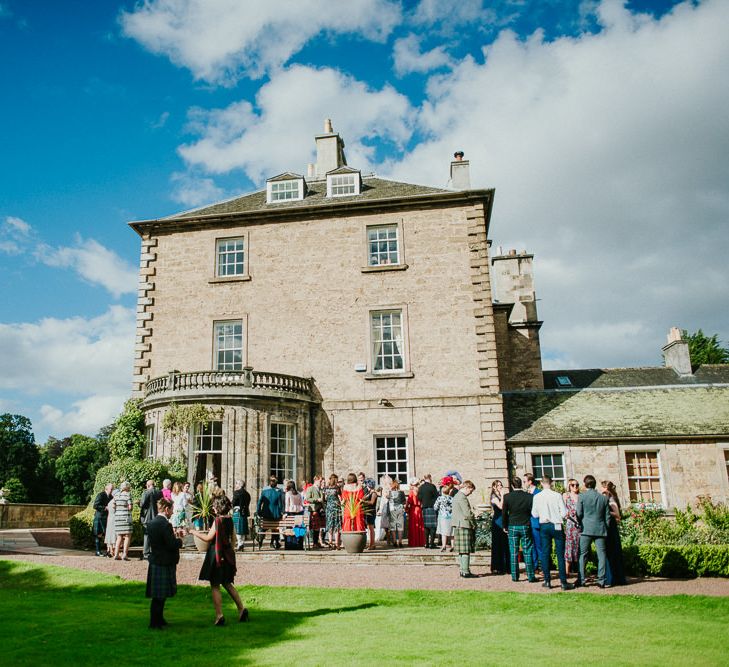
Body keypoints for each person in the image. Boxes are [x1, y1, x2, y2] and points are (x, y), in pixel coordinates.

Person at [192, 495, 249, 625]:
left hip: (217, 555)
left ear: (218, 507)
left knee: (215, 585)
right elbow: (233, 539)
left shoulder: (217, 521)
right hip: (228, 555)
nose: (212, 507)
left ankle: (219, 615)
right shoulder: (230, 520)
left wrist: (193, 532)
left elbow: (208, 538)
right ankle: (241, 609)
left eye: (214, 505)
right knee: (228, 583)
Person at [531, 475, 573, 590]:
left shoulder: (537, 497)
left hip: (544, 525)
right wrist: (557, 515)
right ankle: (563, 582)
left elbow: (534, 514)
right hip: (557, 525)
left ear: (542, 484)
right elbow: (564, 513)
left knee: (545, 553)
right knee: (560, 554)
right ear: (551, 483)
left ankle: (547, 581)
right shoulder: (557, 495)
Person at [146, 497, 182, 629]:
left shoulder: (151, 523)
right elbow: (171, 544)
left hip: (155, 559)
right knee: (160, 596)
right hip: (165, 561)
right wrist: (180, 540)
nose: (172, 512)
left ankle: (158, 619)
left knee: (158, 595)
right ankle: (155, 622)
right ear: (166, 509)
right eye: (171, 509)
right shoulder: (165, 524)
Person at [576, 475, 611, 588]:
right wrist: (605, 527)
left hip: (586, 528)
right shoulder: (603, 498)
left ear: (585, 484)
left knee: (583, 555)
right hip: (600, 529)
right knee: (601, 555)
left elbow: (579, 513)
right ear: (595, 484)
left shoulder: (582, 497)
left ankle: (581, 579)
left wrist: (581, 523)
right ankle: (601, 580)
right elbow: (607, 517)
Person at [502, 477, 536, 583]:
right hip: (525, 525)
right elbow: (532, 512)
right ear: (521, 484)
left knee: (513, 552)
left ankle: (515, 577)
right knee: (527, 551)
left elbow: (504, 513)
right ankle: (530, 576)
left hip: (512, 526)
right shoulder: (529, 497)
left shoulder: (507, 497)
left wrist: (504, 526)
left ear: (512, 485)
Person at [601, 480, 627, 586]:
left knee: (611, 552)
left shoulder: (611, 499)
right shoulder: (610, 497)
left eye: (602, 488)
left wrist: (606, 511)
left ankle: (613, 578)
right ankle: (613, 577)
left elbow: (618, 515)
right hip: (609, 527)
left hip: (611, 528)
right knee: (611, 552)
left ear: (606, 489)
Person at [451, 480, 477, 578]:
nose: (471, 493)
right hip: (464, 525)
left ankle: (463, 570)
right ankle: (465, 571)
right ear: (467, 487)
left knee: (462, 551)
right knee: (466, 550)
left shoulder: (457, 496)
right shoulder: (462, 497)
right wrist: (474, 523)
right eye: (471, 491)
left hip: (458, 525)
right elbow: (467, 513)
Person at [257, 475, 284, 549]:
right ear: (276, 484)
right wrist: (282, 513)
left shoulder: (264, 492)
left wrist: (258, 512)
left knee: (263, 528)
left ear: (270, 483)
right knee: (275, 528)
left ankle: (260, 541)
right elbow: (280, 505)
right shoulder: (278, 493)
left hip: (265, 514)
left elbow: (259, 503)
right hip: (275, 515)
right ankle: (273, 543)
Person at [523, 472, 542, 573]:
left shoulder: (538, 493)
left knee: (539, 546)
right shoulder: (526, 493)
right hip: (528, 523)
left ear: (530, 482)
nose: (524, 483)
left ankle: (543, 567)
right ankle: (534, 568)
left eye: (525, 481)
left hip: (537, 523)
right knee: (532, 546)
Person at [489, 480, 510, 574]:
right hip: (497, 522)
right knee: (498, 544)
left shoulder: (502, 496)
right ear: (494, 487)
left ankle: (506, 566)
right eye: (498, 485)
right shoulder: (494, 497)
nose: (501, 486)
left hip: (504, 520)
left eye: (501, 485)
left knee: (505, 543)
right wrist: (502, 495)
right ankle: (498, 567)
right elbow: (501, 506)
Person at [563, 479, 581, 576]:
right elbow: (562, 508)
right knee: (569, 546)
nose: (575, 487)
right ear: (569, 486)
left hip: (580, 524)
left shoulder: (581, 497)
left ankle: (580, 570)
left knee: (579, 546)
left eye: (577, 485)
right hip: (570, 524)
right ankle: (567, 571)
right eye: (573, 485)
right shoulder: (566, 496)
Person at [140, 480, 162, 561]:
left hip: (147, 516)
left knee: (147, 535)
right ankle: (154, 552)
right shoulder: (159, 492)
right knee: (155, 535)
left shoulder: (146, 493)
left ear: (148, 485)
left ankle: (146, 553)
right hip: (156, 516)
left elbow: (142, 504)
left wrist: (139, 503)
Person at [417, 473, 439, 549]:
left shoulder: (421, 487)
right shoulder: (432, 486)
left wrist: (423, 501)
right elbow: (437, 497)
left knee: (426, 527)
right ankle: (432, 544)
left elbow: (418, 497)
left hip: (424, 508)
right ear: (430, 478)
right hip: (432, 508)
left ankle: (426, 543)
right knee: (433, 527)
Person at [113, 481, 133, 561]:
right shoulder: (128, 495)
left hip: (117, 517)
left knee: (119, 536)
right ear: (128, 487)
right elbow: (130, 507)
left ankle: (116, 554)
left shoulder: (116, 495)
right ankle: (125, 554)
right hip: (126, 517)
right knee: (127, 536)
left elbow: (114, 506)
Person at [92, 483, 113, 557]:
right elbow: (95, 505)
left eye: (112, 489)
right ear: (106, 489)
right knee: (99, 534)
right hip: (100, 517)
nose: (112, 490)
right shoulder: (100, 495)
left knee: (107, 535)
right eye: (111, 489)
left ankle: (108, 551)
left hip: (107, 517)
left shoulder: (111, 497)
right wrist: (105, 508)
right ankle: (98, 551)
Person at [405, 477, 425, 547]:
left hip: (413, 510)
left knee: (414, 526)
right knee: (420, 525)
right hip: (419, 509)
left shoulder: (411, 491)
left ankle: (414, 542)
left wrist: (406, 508)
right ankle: (420, 542)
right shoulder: (420, 490)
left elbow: (409, 502)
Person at [359, 474, 378, 549]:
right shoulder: (369, 493)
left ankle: (372, 544)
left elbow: (372, 502)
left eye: (367, 485)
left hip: (372, 512)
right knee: (369, 528)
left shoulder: (374, 493)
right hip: (367, 512)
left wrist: (363, 501)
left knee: (371, 528)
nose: (366, 486)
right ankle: (370, 544)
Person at [434, 483, 454, 552]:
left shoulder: (440, 498)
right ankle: (453, 546)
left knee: (443, 532)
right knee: (452, 532)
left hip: (443, 516)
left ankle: (444, 546)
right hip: (451, 516)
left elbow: (435, 507)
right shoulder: (452, 498)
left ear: (442, 491)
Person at [304, 476, 324, 547]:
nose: (321, 482)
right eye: (320, 481)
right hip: (313, 510)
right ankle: (314, 542)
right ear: (316, 480)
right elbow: (308, 498)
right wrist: (317, 499)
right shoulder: (310, 488)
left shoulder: (320, 489)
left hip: (320, 510)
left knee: (318, 527)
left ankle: (316, 542)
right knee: (315, 527)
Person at [232, 480, 251, 551]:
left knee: (238, 529)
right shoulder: (247, 494)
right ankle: (241, 543)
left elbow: (233, 503)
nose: (235, 485)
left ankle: (240, 544)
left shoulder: (236, 492)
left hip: (237, 512)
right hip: (245, 513)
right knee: (242, 529)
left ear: (240, 485)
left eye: (236, 483)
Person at [324, 474, 342, 549]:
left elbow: (325, 498)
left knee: (330, 525)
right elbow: (340, 498)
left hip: (329, 509)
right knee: (337, 526)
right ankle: (337, 544)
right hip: (336, 509)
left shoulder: (326, 488)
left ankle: (330, 543)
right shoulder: (337, 488)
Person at [388, 479, 406, 547]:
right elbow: (404, 502)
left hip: (392, 510)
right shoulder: (401, 492)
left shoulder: (390, 492)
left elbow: (388, 499)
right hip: (400, 509)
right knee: (400, 525)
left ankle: (395, 541)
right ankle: (400, 542)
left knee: (393, 526)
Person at [104, 488, 118, 558]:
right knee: (113, 535)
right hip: (114, 519)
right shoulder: (115, 502)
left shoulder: (110, 502)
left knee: (109, 534)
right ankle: (113, 552)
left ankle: (110, 550)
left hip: (109, 519)